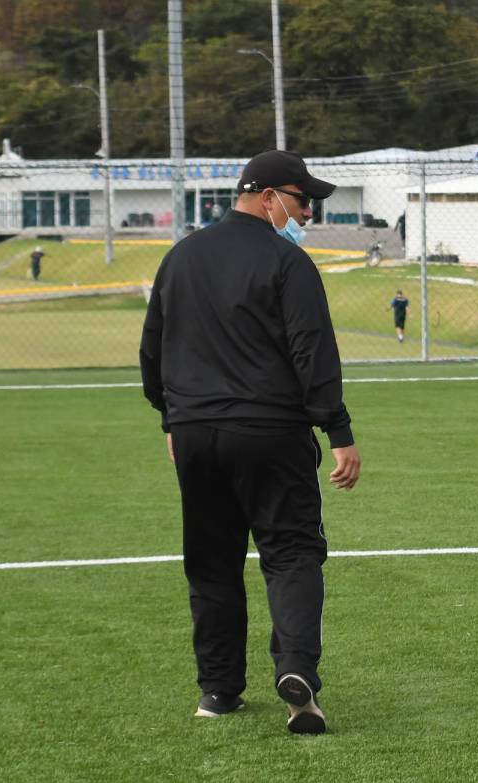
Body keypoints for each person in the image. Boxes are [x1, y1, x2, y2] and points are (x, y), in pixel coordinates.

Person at [139, 149, 361, 735]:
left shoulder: (181, 256)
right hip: (269, 432)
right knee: (291, 552)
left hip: (195, 434)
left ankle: (217, 691)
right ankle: (296, 674)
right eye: (302, 199)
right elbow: (313, 351)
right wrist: (338, 430)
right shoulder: (288, 262)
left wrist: (171, 419)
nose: (308, 213)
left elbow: (153, 349)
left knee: (211, 562)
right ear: (268, 196)